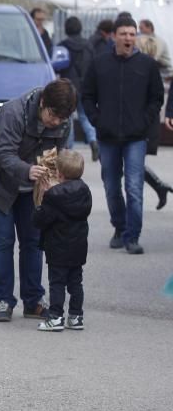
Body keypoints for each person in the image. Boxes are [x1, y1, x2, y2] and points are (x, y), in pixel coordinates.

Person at [0, 79, 75, 321]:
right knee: (3, 242)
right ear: (43, 103)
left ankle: (33, 301)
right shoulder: (13, 112)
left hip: (32, 189)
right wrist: (28, 170)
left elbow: (58, 156)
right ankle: (3, 301)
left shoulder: (64, 120)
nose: (57, 122)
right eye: (53, 115)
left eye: (62, 118)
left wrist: (55, 181)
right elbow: (4, 154)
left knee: (33, 242)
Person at [82, 15, 163, 255]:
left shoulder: (147, 65)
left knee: (134, 187)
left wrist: (144, 121)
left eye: (132, 33)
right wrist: (97, 121)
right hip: (107, 137)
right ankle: (119, 227)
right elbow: (86, 96)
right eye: (124, 33)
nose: (128, 38)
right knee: (111, 187)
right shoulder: (100, 63)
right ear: (114, 36)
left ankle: (132, 236)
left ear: (136, 36)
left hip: (135, 137)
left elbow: (156, 98)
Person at [32, 149, 91, 332]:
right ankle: (76, 316)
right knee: (76, 283)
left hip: (58, 247)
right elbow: (68, 204)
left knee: (57, 283)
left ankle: (55, 316)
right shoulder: (84, 191)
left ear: (59, 173)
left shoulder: (53, 196)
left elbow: (40, 220)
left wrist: (43, 198)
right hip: (78, 247)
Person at [135, 18, 173, 209]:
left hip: (141, 122)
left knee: (131, 164)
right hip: (137, 121)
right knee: (130, 164)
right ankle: (159, 186)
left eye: (141, 30)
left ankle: (157, 187)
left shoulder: (152, 48)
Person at [58, 16, 98, 160]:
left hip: (67, 87)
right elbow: (95, 66)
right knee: (85, 116)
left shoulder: (62, 46)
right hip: (85, 86)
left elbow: (56, 65)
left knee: (67, 117)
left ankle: (69, 148)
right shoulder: (89, 45)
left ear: (66, 29)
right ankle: (93, 140)